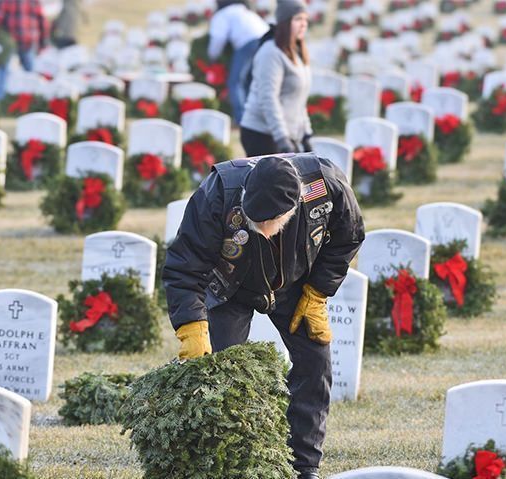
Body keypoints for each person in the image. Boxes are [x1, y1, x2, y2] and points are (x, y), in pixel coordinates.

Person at [163, 153, 365, 479]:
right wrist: (192, 326)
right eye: (256, 224)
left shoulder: (325, 186)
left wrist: (317, 293)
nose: (264, 232)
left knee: (317, 364)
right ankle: (223, 465)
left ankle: (304, 465)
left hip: (295, 283)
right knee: (220, 374)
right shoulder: (218, 193)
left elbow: (349, 236)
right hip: (230, 285)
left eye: (271, 224)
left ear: (294, 205)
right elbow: (184, 266)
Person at [240, 0, 313, 157]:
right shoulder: (271, 53)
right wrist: (282, 138)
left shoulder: (297, 53)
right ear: (285, 22)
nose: (303, 24)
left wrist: (306, 133)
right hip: (262, 134)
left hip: (286, 134)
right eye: (298, 19)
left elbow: (298, 99)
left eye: (305, 19)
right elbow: (268, 97)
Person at [207, 0, 269, 123]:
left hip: (248, 43)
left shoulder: (222, 14)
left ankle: (243, 119)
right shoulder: (244, 10)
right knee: (251, 81)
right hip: (266, 41)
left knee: (235, 82)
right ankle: (256, 117)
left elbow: (218, 39)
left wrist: (212, 57)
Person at [0, 0, 49, 100]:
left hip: (9, 39)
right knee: (29, 71)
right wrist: (43, 42)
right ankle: (34, 98)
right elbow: (42, 20)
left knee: (3, 70)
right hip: (26, 38)